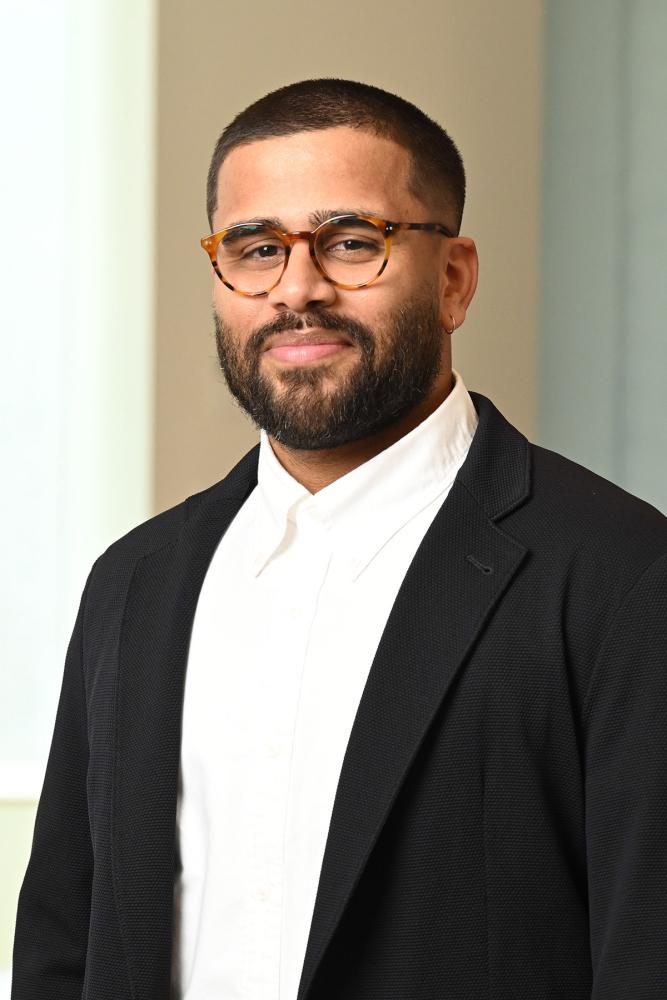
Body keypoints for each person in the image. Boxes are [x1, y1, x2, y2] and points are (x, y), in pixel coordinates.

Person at [11, 78, 667, 1000]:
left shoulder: (622, 577)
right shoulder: (134, 582)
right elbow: (61, 948)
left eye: (352, 243)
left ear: (454, 278)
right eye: (257, 249)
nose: (297, 290)